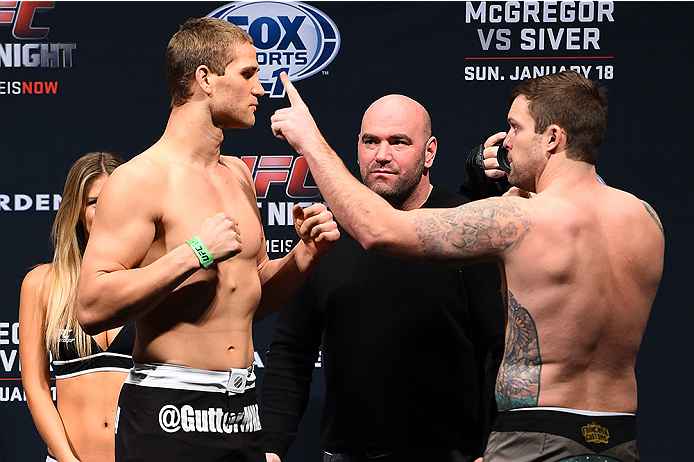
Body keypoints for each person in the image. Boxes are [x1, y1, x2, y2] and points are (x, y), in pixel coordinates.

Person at [269, 70, 664, 462]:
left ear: (552, 138)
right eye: (370, 141)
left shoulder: (516, 219)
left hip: (535, 439)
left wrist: (311, 142)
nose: (505, 143)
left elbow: (376, 229)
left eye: (515, 128)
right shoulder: (645, 220)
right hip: (617, 438)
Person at [74, 18, 338, 462]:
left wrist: (305, 255)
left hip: (244, 413)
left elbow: (250, 294)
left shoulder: (239, 175)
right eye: (248, 74)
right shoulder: (140, 179)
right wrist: (195, 253)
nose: (261, 89)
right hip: (170, 412)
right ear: (204, 79)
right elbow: (91, 306)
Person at [261, 95, 505, 462]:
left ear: (430, 152)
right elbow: (292, 353)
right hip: (346, 455)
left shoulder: (466, 227)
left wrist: (493, 444)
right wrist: (271, 447)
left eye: (399, 142)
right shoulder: (327, 235)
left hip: (450, 455)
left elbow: (503, 350)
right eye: (370, 141)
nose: (382, 154)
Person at [19, 151, 131, 462]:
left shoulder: (151, 280)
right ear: (77, 211)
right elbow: (36, 385)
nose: (108, 209)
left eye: (116, 198)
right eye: (95, 202)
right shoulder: (42, 284)